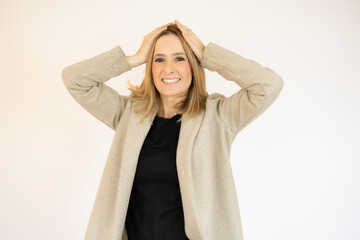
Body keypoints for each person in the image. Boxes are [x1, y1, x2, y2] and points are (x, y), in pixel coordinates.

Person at [61, 19, 284, 240]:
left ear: (194, 65)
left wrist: (207, 54)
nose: (168, 68)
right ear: (150, 67)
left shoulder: (218, 117)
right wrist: (135, 58)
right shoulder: (127, 114)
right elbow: (75, 80)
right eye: (159, 59)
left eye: (180, 58)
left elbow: (268, 85)